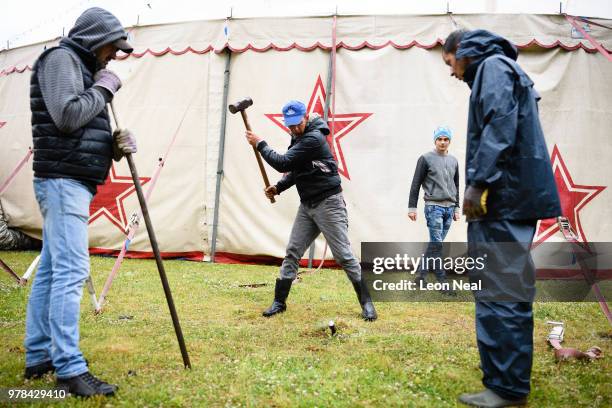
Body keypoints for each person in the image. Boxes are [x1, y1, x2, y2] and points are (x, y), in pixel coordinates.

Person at [441, 29, 561, 407]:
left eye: (450, 63)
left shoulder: (493, 67)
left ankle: (507, 389)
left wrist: (477, 183)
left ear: (464, 52)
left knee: (499, 290)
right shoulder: (505, 68)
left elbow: (499, 127)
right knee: (506, 288)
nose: (452, 73)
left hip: (503, 201)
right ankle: (507, 380)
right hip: (512, 199)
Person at [25, 7, 137, 397]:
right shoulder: (60, 59)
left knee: (54, 270)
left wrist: (114, 147)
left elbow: (76, 130)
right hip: (61, 181)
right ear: (94, 39)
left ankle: (38, 356)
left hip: (69, 179)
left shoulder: (80, 67)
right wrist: (105, 87)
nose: (114, 56)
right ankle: (69, 369)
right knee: (71, 270)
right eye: (112, 47)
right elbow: (67, 117)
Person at [244, 100, 377, 321]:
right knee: (293, 251)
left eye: (297, 123)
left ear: (306, 118)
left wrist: (261, 144)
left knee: (344, 255)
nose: (294, 128)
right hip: (308, 206)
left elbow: (283, 163)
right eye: (290, 125)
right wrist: (278, 187)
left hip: (329, 204)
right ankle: (279, 302)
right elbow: (297, 170)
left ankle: (367, 303)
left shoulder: (313, 139)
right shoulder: (298, 137)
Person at [408, 126, 460, 288]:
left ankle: (420, 276)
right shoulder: (425, 158)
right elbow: (415, 184)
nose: (443, 142)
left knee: (435, 245)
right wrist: (412, 207)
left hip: (449, 208)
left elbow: (456, 185)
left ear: (449, 141)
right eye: (440, 139)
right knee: (437, 244)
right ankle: (442, 281)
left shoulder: (454, 161)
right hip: (434, 207)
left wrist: (457, 208)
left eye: (446, 139)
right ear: (435, 140)